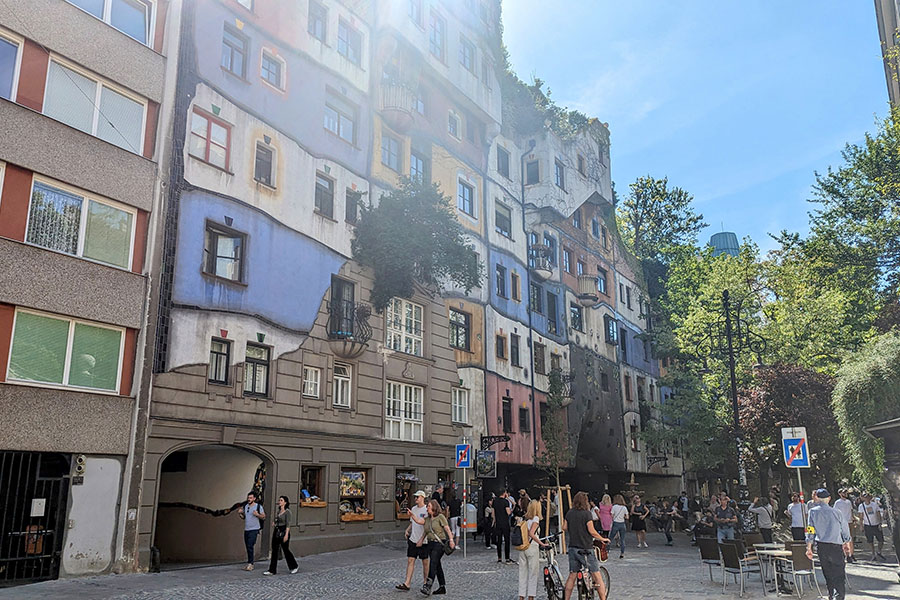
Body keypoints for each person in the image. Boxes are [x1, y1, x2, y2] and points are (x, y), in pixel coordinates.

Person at [562, 492, 610, 600]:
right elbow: (592, 531)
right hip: (586, 548)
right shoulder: (587, 514)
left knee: (572, 575)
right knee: (597, 576)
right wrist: (602, 539)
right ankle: (603, 598)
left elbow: (564, 527)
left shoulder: (570, 513)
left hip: (573, 548)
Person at [806, 489, 851, 600]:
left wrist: (809, 547)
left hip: (821, 546)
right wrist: (846, 543)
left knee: (827, 573)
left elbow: (810, 530)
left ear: (817, 498)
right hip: (835, 546)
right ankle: (838, 596)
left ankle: (831, 595)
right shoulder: (837, 512)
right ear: (829, 498)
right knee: (839, 574)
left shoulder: (812, 512)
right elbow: (845, 530)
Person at [411, 499, 455, 595]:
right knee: (437, 565)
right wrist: (412, 515)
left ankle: (428, 586)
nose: (427, 508)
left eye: (429, 506)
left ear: (434, 507)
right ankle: (442, 587)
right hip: (430, 544)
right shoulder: (427, 519)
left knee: (433, 563)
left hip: (439, 543)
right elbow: (424, 529)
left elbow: (447, 529)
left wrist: (451, 540)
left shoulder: (440, 517)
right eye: (427, 507)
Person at [397, 491, 430, 591]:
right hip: (413, 538)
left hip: (423, 541)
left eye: (417, 497)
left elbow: (425, 525)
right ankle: (407, 583)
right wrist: (407, 530)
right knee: (410, 560)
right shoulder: (414, 509)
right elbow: (413, 522)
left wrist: (422, 539)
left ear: (423, 497)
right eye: (415, 497)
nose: (415, 498)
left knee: (425, 562)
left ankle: (425, 582)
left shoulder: (426, 510)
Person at [517, 499, 550, 600]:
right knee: (533, 573)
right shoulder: (535, 519)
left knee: (522, 572)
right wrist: (542, 543)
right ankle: (531, 596)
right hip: (532, 547)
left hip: (523, 547)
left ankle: (521, 595)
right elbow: (532, 533)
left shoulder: (526, 519)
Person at [263, 495, 298, 575]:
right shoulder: (279, 511)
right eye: (279, 500)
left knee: (286, 550)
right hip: (277, 530)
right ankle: (272, 570)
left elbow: (288, 524)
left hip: (284, 531)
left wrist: (286, 535)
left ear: (285, 502)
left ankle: (294, 566)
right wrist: (275, 523)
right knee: (274, 550)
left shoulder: (287, 512)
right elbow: (278, 520)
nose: (279, 502)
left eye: (281, 500)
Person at [238, 490, 265, 571]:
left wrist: (257, 514)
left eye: (250, 498)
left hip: (254, 529)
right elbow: (244, 518)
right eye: (248, 497)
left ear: (254, 498)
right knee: (248, 546)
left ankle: (251, 564)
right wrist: (240, 514)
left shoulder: (258, 507)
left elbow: (264, 517)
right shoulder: (246, 506)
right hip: (247, 529)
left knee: (250, 545)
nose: (249, 499)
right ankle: (249, 562)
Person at [858, 492, 887, 561]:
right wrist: (861, 526)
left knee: (881, 540)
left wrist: (880, 523)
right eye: (865, 497)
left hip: (876, 525)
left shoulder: (874, 505)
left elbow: (878, 514)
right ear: (863, 498)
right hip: (868, 525)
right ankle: (873, 554)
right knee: (870, 541)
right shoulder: (861, 506)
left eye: (868, 497)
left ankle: (879, 551)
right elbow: (861, 517)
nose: (867, 498)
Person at [833, 489, 857, 563]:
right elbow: (835, 513)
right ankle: (846, 555)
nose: (845, 493)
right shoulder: (837, 503)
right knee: (844, 539)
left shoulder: (848, 502)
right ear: (840, 493)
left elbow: (851, 511)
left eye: (846, 492)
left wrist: (853, 519)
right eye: (843, 492)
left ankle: (851, 553)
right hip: (842, 523)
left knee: (851, 539)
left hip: (849, 522)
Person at [495, 490, 515, 564]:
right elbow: (508, 512)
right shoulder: (505, 502)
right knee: (507, 541)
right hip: (505, 523)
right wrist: (512, 509)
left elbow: (493, 513)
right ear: (504, 493)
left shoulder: (495, 501)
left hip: (498, 523)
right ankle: (507, 557)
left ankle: (499, 558)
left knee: (499, 541)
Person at [609, 494, 628, 559]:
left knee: (610, 538)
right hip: (622, 524)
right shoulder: (624, 507)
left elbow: (611, 515)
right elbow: (627, 517)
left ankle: (607, 551)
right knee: (622, 539)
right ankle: (622, 553)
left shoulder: (614, 507)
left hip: (616, 523)